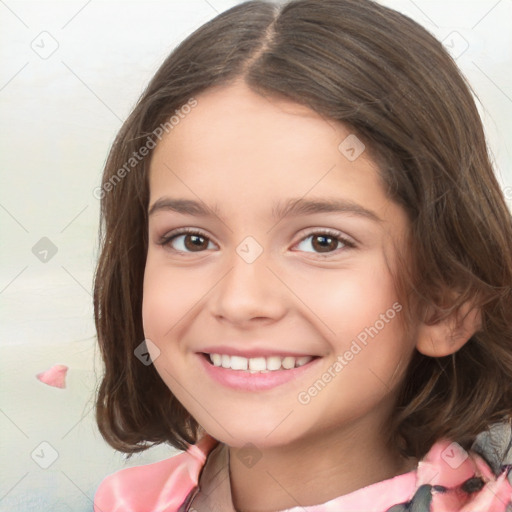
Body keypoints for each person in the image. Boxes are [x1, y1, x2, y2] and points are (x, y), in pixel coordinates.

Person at [91, 0, 512, 510]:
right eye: (192, 240)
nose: (241, 301)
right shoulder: (125, 501)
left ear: (446, 299)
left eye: (322, 242)